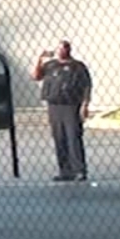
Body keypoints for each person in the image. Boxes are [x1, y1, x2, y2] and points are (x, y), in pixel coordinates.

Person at [31, 40, 92, 182]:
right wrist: (40, 58)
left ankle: (79, 170)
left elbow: (87, 86)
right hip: (54, 105)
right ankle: (65, 170)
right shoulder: (51, 65)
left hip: (71, 105)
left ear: (69, 50)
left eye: (64, 48)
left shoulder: (78, 66)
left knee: (73, 137)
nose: (61, 51)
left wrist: (85, 105)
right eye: (59, 48)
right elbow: (36, 76)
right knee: (59, 138)